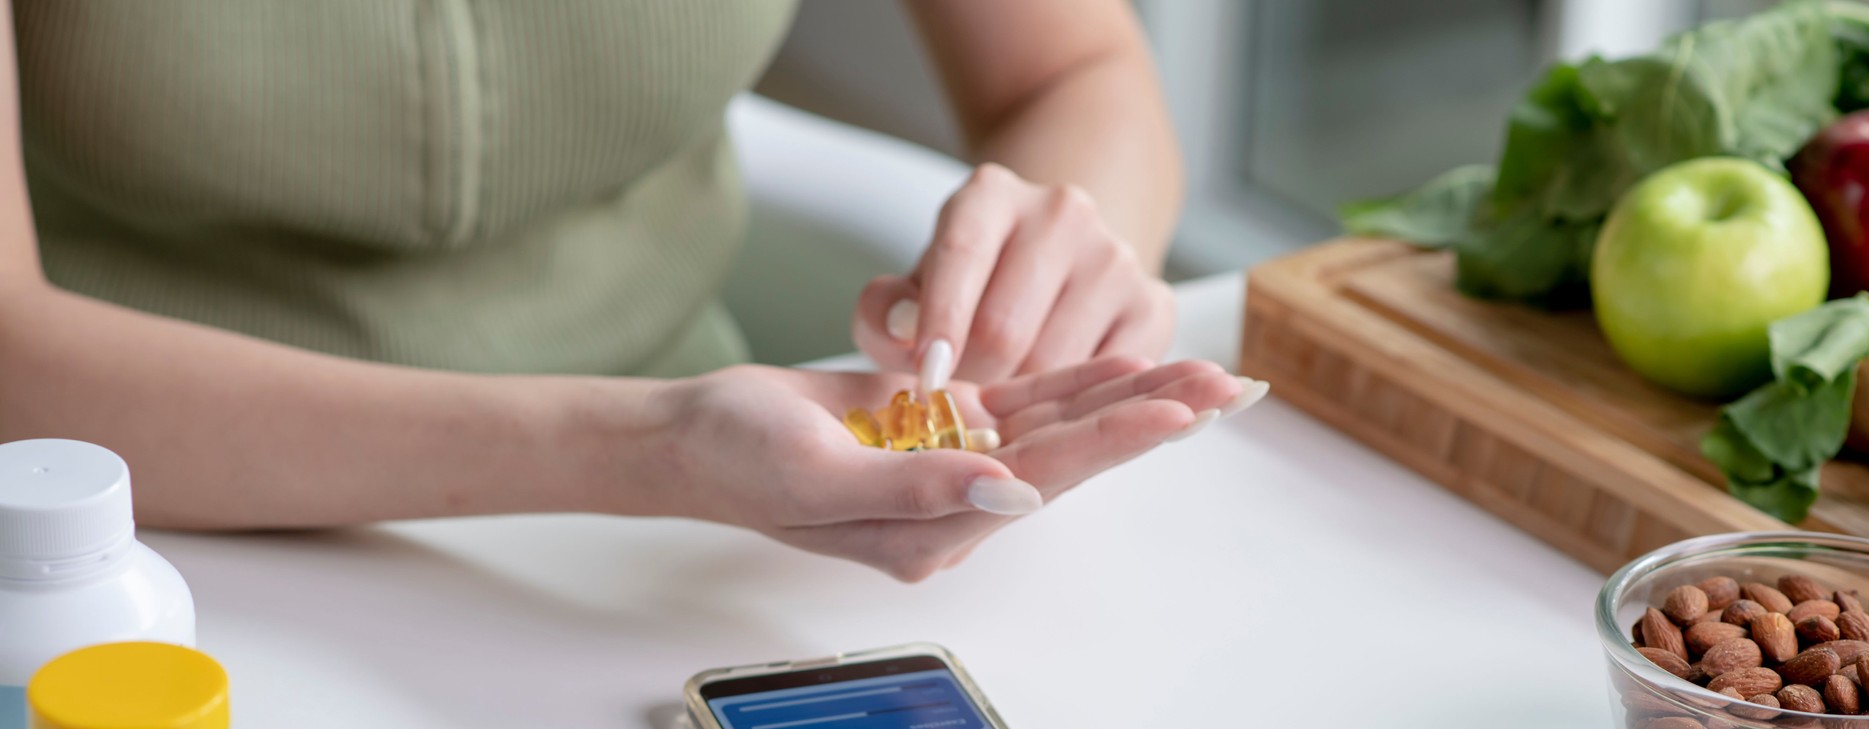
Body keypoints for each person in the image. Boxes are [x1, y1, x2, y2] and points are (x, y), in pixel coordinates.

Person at [0, 0, 1260, 581]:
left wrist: (1056, 264)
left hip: (696, 543)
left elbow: (1076, 67)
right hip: (137, 559)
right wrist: (642, 447)